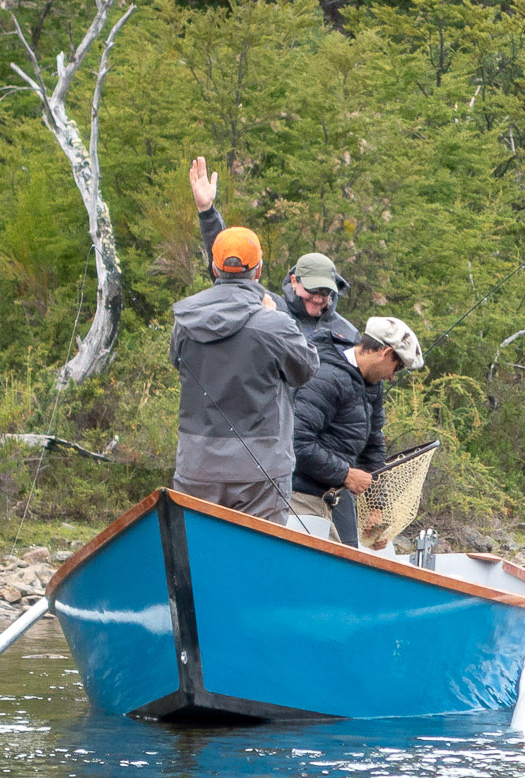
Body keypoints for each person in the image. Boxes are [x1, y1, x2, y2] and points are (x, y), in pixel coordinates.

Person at [169, 220, 317, 523]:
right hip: (261, 470)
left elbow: (178, 363)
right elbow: (306, 370)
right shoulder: (272, 323)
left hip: (197, 464)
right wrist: (275, 320)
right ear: (258, 270)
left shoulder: (185, 320)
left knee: (199, 555)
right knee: (256, 559)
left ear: (214, 268)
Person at [189, 157, 357, 348]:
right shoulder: (269, 306)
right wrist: (207, 212)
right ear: (294, 281)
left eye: (325, 292)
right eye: (312, 290)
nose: (318, 298)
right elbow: (231, 267)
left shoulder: (348, 334)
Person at [289, 317, 425, 544]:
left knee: (352, 558)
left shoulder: (373, 385)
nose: (393, 376)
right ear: (385, 352)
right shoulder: (326, 377)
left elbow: (374, 445)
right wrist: (346, 474)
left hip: (336, 495)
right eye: (397, 366)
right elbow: (296, 443)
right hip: (300, 494)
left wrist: (376, 507)